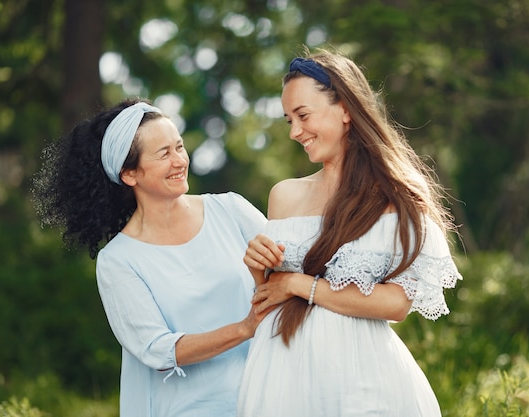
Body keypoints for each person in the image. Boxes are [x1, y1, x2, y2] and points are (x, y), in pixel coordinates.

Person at [237, 50, 463, 417]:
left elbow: (396, 304)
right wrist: (257, 266)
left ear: (345, 109)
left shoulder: (393, 198)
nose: (295, 132)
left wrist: (300, 284)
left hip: (361, 380)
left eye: (304, 115)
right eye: (289, 120)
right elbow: (268, 296)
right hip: (281, 376)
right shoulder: (284, 195)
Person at [32, 98, 270, 417]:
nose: (179, 161)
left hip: (266, 399)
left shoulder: (230, 209)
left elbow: (290, 267)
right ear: (130, 174)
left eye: (179, 147)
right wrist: (245, 328)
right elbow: (157, 350)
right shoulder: (118, 261)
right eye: (163, 153)